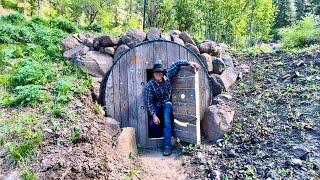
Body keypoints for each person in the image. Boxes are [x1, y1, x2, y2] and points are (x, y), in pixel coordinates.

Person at [144, 59, 200, 156]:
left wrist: (191, 63)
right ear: (153, 74)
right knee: (152, 123)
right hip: (156, 105)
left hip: (166, 103)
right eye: (156, 72)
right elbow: (149, 102)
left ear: (162, 73)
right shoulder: (149, 85)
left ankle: (167, 147)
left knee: (166, 120)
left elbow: (176, 64)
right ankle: (159, 138)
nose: (158, 74)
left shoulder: (168, 76)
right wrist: (154, 115)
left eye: (160, 72)